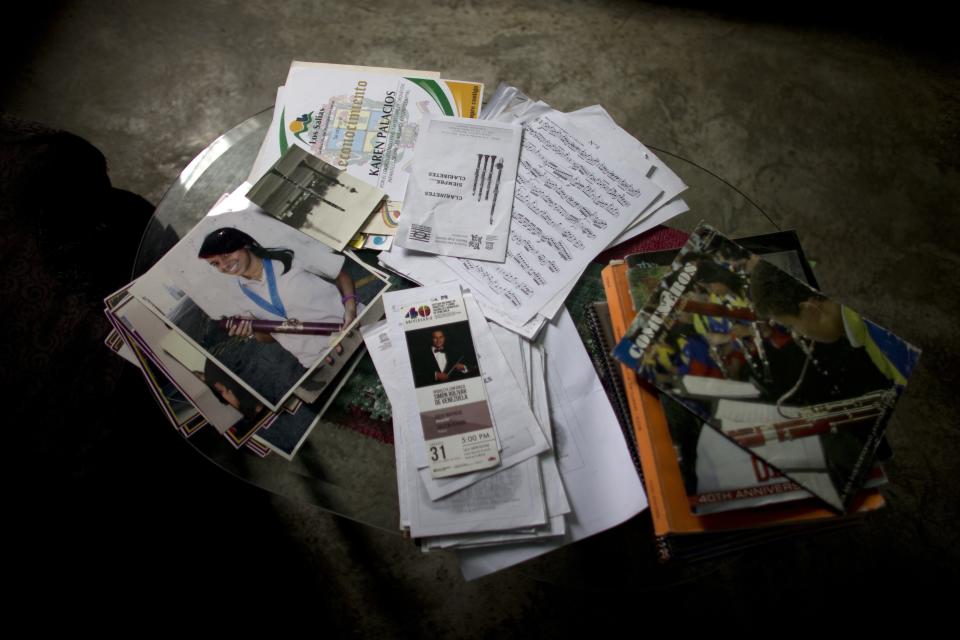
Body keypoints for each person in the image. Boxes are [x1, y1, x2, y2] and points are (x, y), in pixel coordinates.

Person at [197, 227, 359, 369]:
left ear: (244, 244)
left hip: (353, 329)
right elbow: (269, 337)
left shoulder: (287, 254)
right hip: (320, 362)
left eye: (226, 254)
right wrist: (253, 330)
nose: (224, 265)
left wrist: (351, 311)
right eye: (215, 264)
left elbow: (340, 275)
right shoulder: (237, 295)